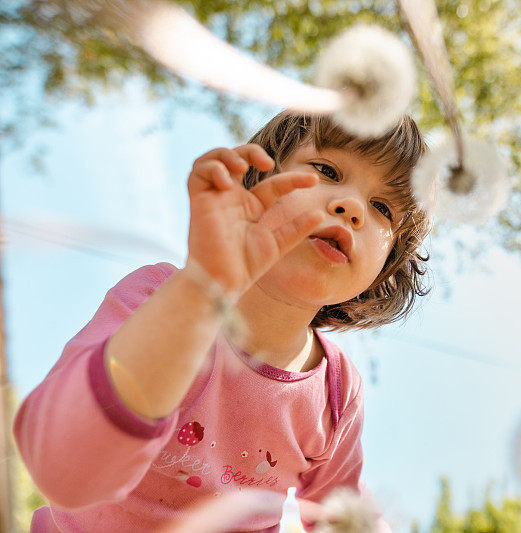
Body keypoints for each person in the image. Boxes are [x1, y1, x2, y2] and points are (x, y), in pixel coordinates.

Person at [13, 110, 433, 532]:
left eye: (383, 207)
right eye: (326, 170)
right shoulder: (159, 298)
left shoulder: (337, 394)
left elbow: (341, 514)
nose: (352, 207)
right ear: (257, 179)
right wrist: (202, 286)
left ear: (385, 266)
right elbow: (63, 469)